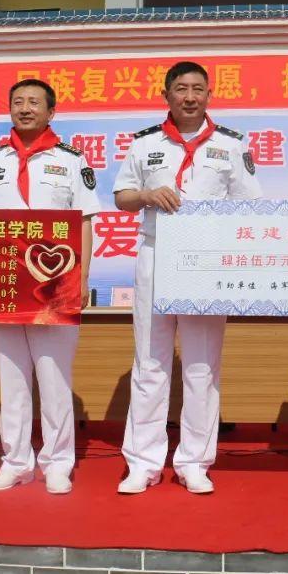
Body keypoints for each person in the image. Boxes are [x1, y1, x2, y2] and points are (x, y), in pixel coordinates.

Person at [113, 61, 262, 494]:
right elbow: (121, 196)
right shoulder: (145, 145)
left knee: (201, 365)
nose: (190, 97)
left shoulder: (232, 146)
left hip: (208, 264)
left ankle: (195, 461)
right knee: (150, 361)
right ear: (167, 95)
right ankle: (142, 461)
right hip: (156, 254)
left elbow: (249, 206)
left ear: (210, 95)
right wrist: (145, 195)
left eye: (198, 89)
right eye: (181, 89)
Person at [0, 79, 101, 495]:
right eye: (18, 102)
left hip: (56, 281)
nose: (25, 109)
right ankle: (15, 461)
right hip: (4, 283)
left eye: (34, 103)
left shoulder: (73, 161)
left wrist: (81, 278)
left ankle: (58, 462)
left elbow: (83, 222)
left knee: (53, 375)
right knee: (11, 376)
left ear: (51, 112)